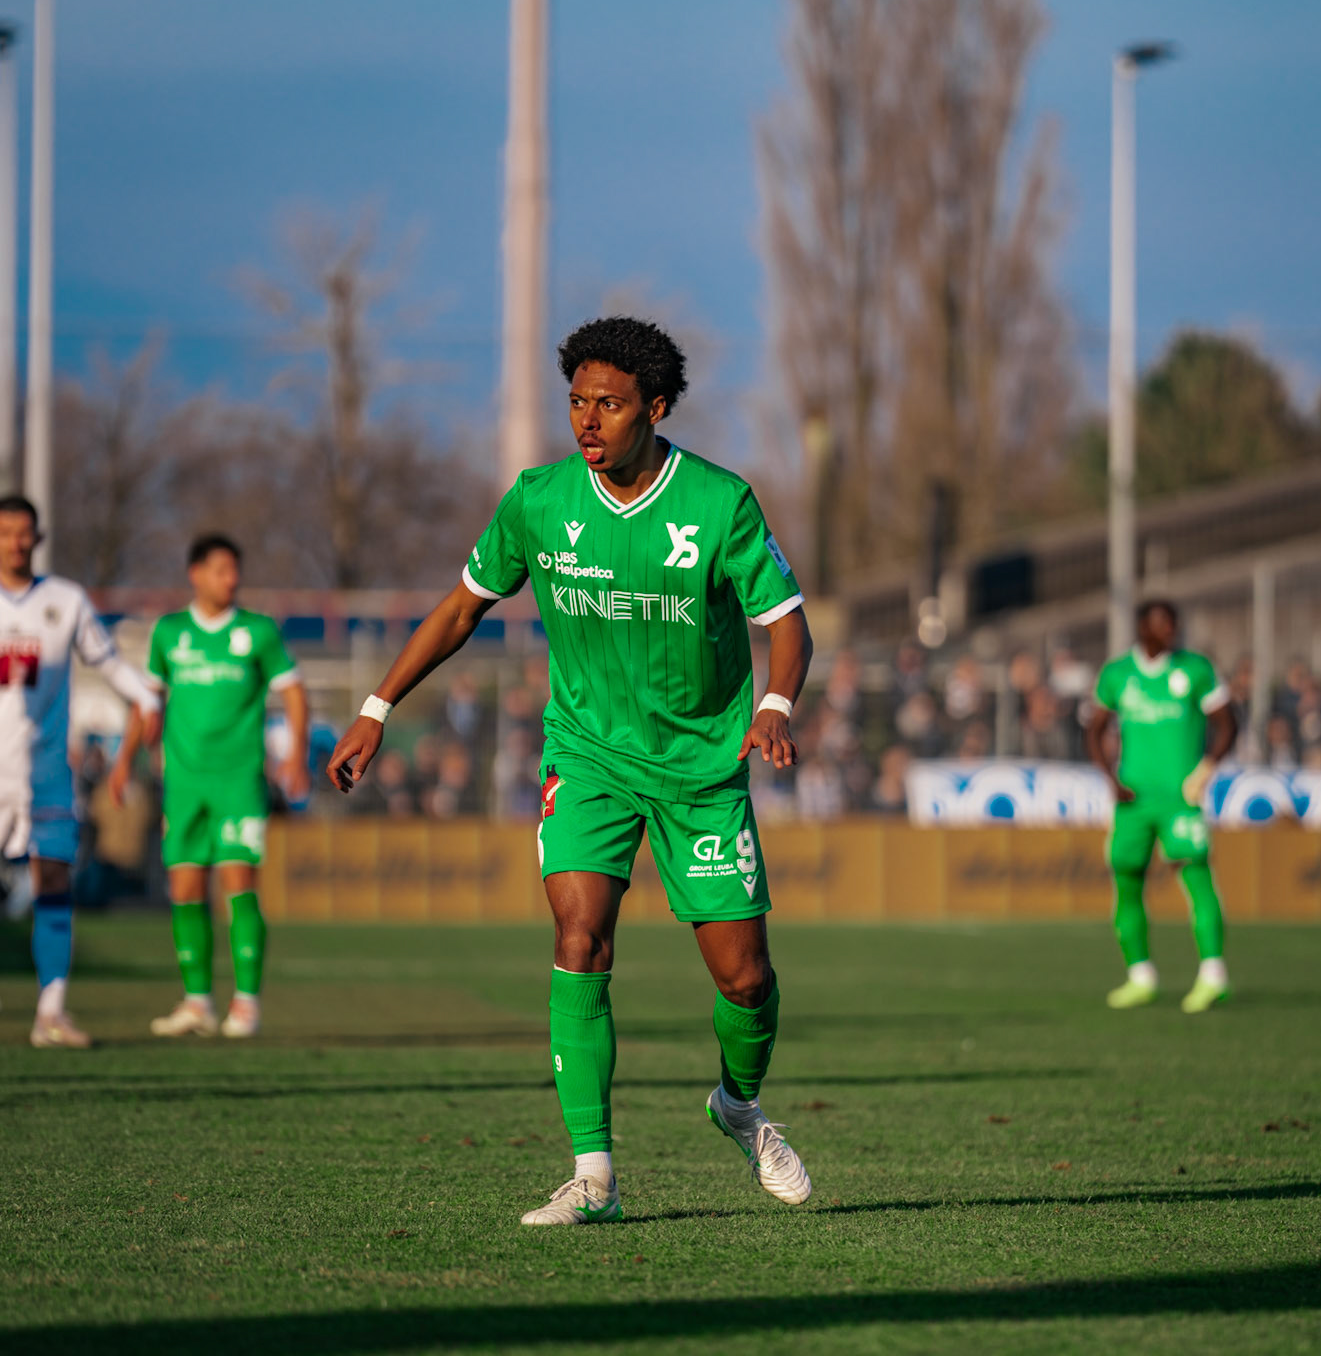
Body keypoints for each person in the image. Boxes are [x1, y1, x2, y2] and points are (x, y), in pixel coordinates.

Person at [328, 315, 815, 1226]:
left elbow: (786, 621)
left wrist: (774, 705)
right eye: (577, 402)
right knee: (578, 935)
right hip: (586, 755)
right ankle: (594, 1176)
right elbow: (461, 609)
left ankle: (737, 1107)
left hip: (701, 769)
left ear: (656, 409)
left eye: (609, 404)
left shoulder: (718, 503)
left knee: (743, 979)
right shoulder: (538, 500)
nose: (587, 420)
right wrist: (375, 708)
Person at [110, 534, 309, 1039]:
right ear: (195, 573)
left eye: (235, 570)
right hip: (183, 781)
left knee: (239, 883)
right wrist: (123, 760)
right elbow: (147, 701)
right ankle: (197, 1003)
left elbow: (294, 693)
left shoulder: (258, 632)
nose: (231, 579)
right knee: (184, 886)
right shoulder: (170, 632)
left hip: (239, 779)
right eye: (221, 570)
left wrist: (297, 757)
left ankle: (245, 1004)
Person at [0, 496, 159, 1045]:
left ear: (38, 538)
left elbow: (106, 661)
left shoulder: (65, 601)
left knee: (54, 882)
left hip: (44, 770)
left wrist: (147, 699)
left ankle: (51, 1011)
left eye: (25, 533)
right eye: (5, 532)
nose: (16, 542)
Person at [1087, 598, 1236, 1015]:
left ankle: (1213, 974)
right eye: (1162, 624)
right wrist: (1111, 779)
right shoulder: (1118, 674)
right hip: (1134, 800)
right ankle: (1140, 976)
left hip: (1179, 799)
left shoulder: (1195, 670)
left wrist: (1205, 769)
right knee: (1127, 879)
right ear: (1142, 629)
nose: (1171, 631)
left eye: (1174, 623)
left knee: (1196, 874)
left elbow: (1229, 722)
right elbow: (1094, 729)